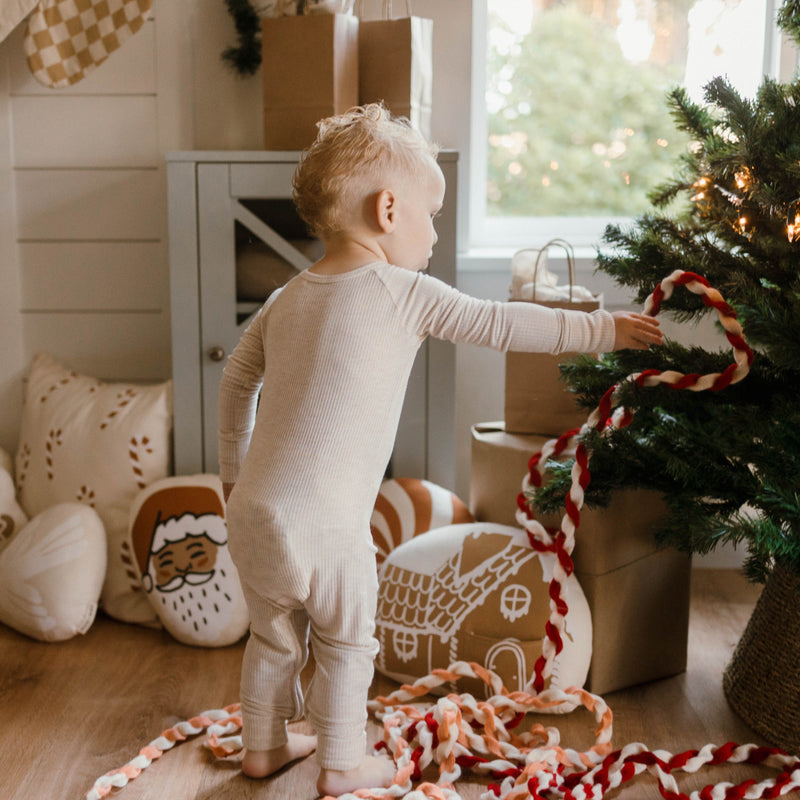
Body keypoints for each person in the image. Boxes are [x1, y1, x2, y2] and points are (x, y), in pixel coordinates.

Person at [218, 103, 663, 797]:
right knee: (346, 640)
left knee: (275, 638)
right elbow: (504, 323)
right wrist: (606, 327)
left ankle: (264, 746)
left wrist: (232, 471)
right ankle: (340, 764)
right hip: (328, 525)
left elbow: (237, 378)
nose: (433, 233)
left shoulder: (286, 298)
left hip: (253, 511)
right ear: (387, 210)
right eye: (431, 215)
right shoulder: (404, 293)